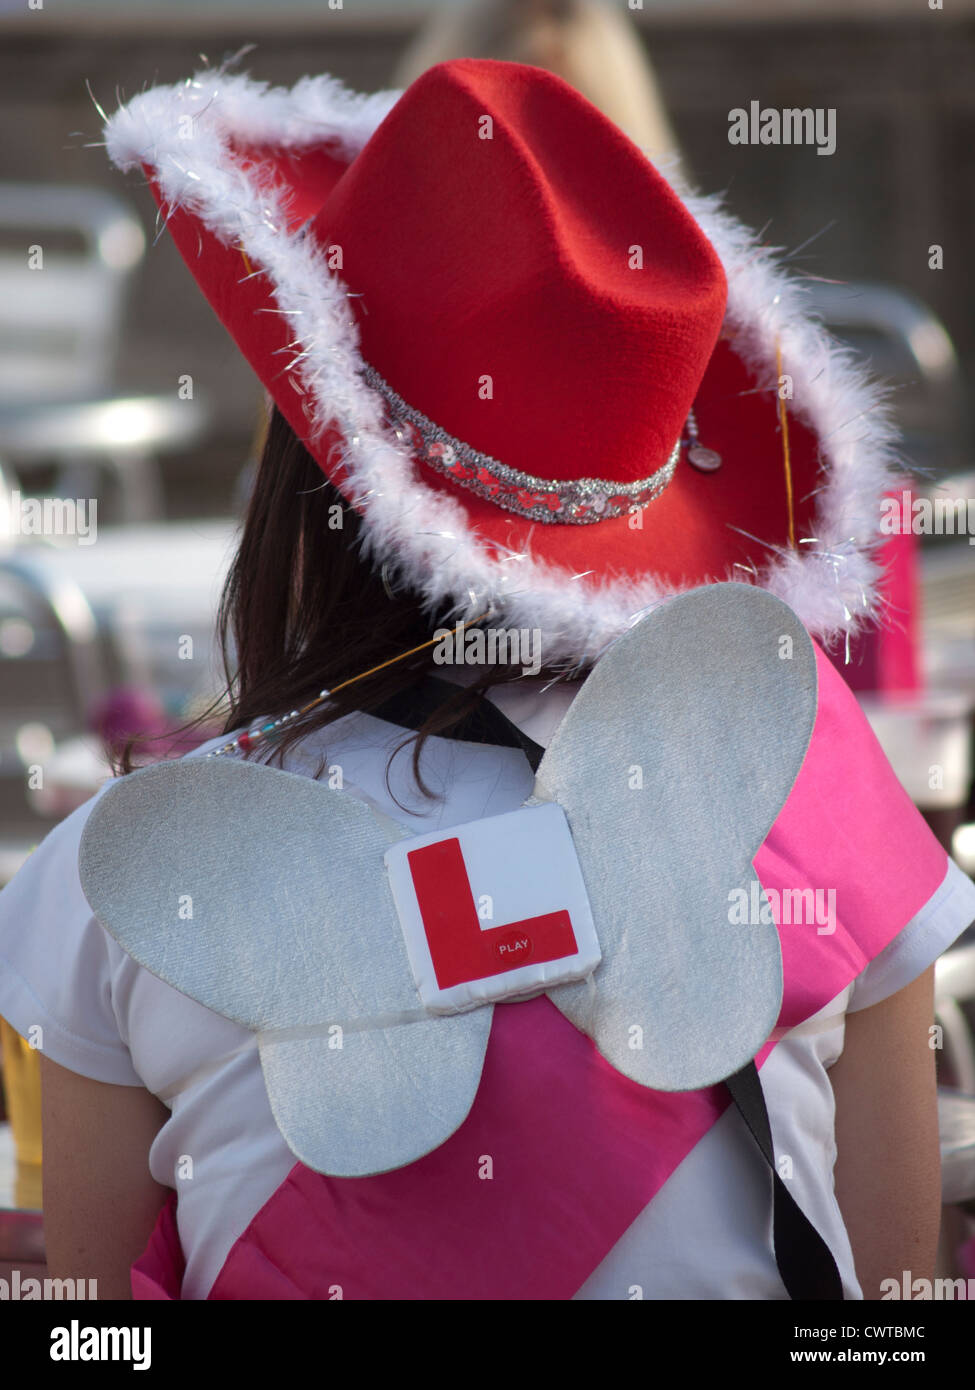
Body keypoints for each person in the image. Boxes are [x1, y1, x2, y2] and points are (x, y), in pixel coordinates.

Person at [0, 56, 972, 1302]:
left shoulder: (128, 871)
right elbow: (894, 1298)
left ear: (300, 485)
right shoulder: (814, 784)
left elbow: (94, 1324)